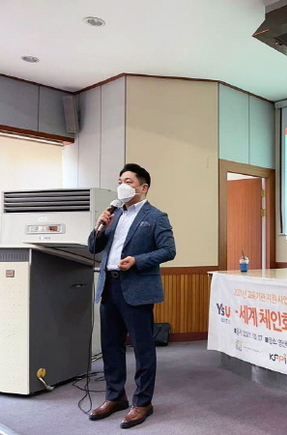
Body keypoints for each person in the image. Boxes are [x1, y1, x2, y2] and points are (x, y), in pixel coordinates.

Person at [87, 163, 176, 429]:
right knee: (111, 346)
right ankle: (115, 397)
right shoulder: (113, 214)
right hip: (109, 287)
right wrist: (100, 226)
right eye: (120, 181)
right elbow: (93, 247)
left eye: (128, 181)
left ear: (143, 187)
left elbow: (169, 250)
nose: (122, 186)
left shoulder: (156, 216)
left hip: (137, 288)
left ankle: (142, 402)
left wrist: (137, 260)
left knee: (142, 347)